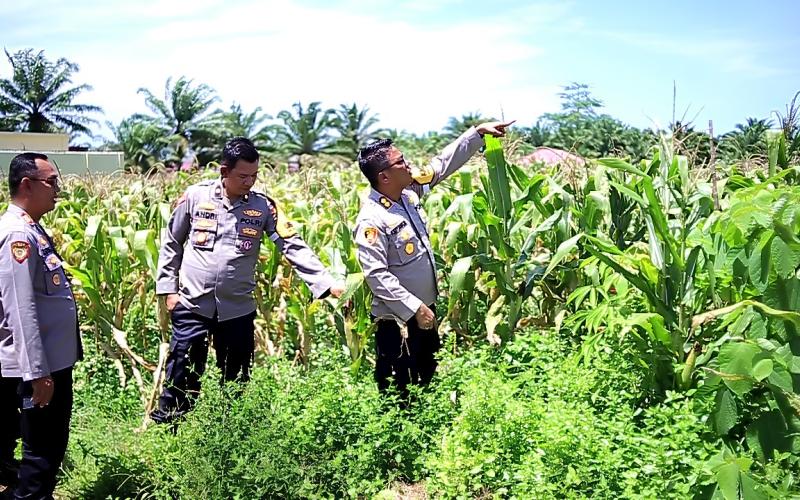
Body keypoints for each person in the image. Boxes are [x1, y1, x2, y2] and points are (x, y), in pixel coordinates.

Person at [150, 137, 343, 424]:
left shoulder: (263, 207)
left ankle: (232, 438)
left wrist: (325, 283)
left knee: (236, 381)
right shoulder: (194, 196)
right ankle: (171, 436)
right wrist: (168, 290)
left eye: (254, 176)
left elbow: (291, 244)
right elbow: (172, 243)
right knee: (182, 374)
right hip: (191, 304)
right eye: (243, 176)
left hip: (237, 309)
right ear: (224, 171)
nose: (249, 182)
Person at [354, 120, 513, 401]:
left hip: (424, 313)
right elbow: (376, 275)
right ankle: (397, 441)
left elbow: (440, 167)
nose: (409, 165)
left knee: (426, 379)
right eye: (401, 162)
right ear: (384, 176)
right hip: (398, 320)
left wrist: (476, 134)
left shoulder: (408, 196)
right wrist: (415, 307)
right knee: (398, 391)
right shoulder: (372, 219)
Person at [0, 152, 81, 498]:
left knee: (45, 451)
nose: (58, 190)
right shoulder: (18, 235)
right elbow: (20, 308)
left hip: (49, 362)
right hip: (40, 367)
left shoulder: (32, 228)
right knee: (42, 455)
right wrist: (37, 373)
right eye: (52, 182)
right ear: (26, 185)